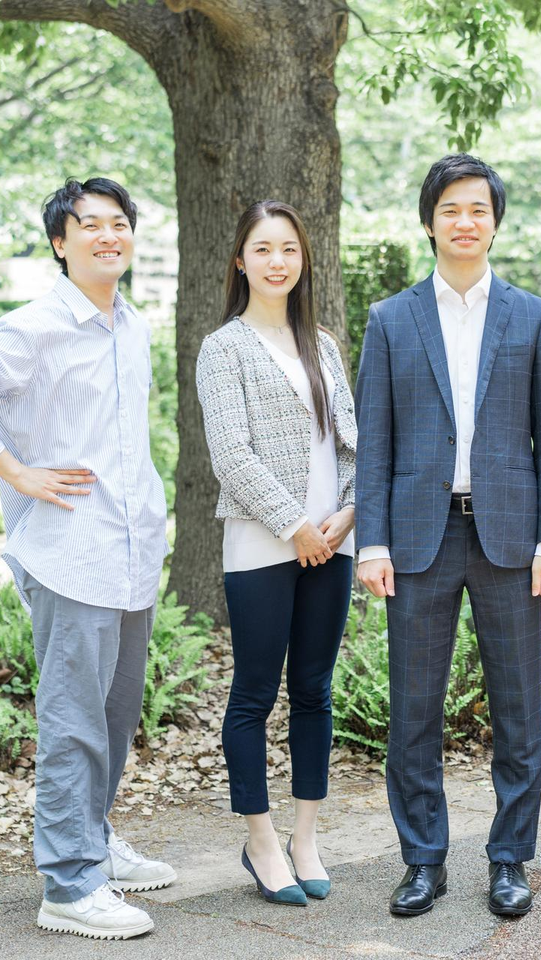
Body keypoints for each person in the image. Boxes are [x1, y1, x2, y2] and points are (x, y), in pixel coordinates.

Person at [0, 178, 173, 940]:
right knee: (74, 723)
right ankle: (68, 882)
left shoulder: (131, 325)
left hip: (129, 552)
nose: (108, 235)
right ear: (61, 243)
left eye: (119, 223)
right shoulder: (34, 326)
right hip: (70, 553)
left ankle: (92, 839)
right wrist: (17, 472)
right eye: (89, 225)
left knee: (116, 716)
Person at [354, 153, 541, 918]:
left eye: (478, 208)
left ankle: (510, 858)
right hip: (420, 538)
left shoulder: (532, 316)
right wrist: (372, 543)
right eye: (450, 208)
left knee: (519, 709)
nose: (465, 221)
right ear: (429, 222)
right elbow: (374, 443)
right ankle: (423, 860)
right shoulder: (391, 319)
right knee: (414, 709)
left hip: (511, 538)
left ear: (495, 222)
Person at [196, 200, 356, 907]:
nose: (277, 261)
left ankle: (305, 838)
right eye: (262, 249)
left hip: (334, 542)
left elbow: (352, 442)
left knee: (315, 690)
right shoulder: (222, 348)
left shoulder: (322, 344)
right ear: (241, 261)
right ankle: (260, 841)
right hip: (263, 543)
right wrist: (296, 525)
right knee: (255, 694)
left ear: (303, 259)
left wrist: (348, 512)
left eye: (288, 248)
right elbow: (230, 455)